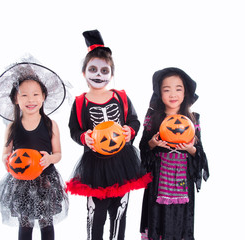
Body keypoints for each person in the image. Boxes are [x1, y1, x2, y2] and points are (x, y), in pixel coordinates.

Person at [66, 30, 152, 240]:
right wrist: (83, 137)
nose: (98, 74)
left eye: (104, 70)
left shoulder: (120, 97)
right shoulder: (80, 102)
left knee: (119, 212)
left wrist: (129, 131)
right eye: (93, 69)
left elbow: (134, 120)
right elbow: (74, 130)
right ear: (84, 73)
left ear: (111, 74)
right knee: (96, 213)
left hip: (122, 162)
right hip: (94, 165)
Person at [0, 59, 69, 240]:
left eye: (35, 94)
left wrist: (50, 159)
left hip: (45, 182)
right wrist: (5, 159)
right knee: (25, 224)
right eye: (24, 95)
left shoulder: (51, 124)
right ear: (15, 100)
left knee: (46, 223)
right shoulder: (12, 126)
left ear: (43, 97)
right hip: (21, 183)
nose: (30, 99)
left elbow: (58, 154)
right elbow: (5, 152)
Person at [139, 67, 209, 240]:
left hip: (182, 182)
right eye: (167, 89)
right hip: (158, 180)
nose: (173, 94)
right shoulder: (153, 117)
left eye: (178, 89)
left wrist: (189, 148)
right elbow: (143, 147)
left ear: (185, 93)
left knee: (180, 222)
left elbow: (200, 155)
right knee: (157, 219)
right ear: (159, 93)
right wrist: (153, 143)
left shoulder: (193, 119)